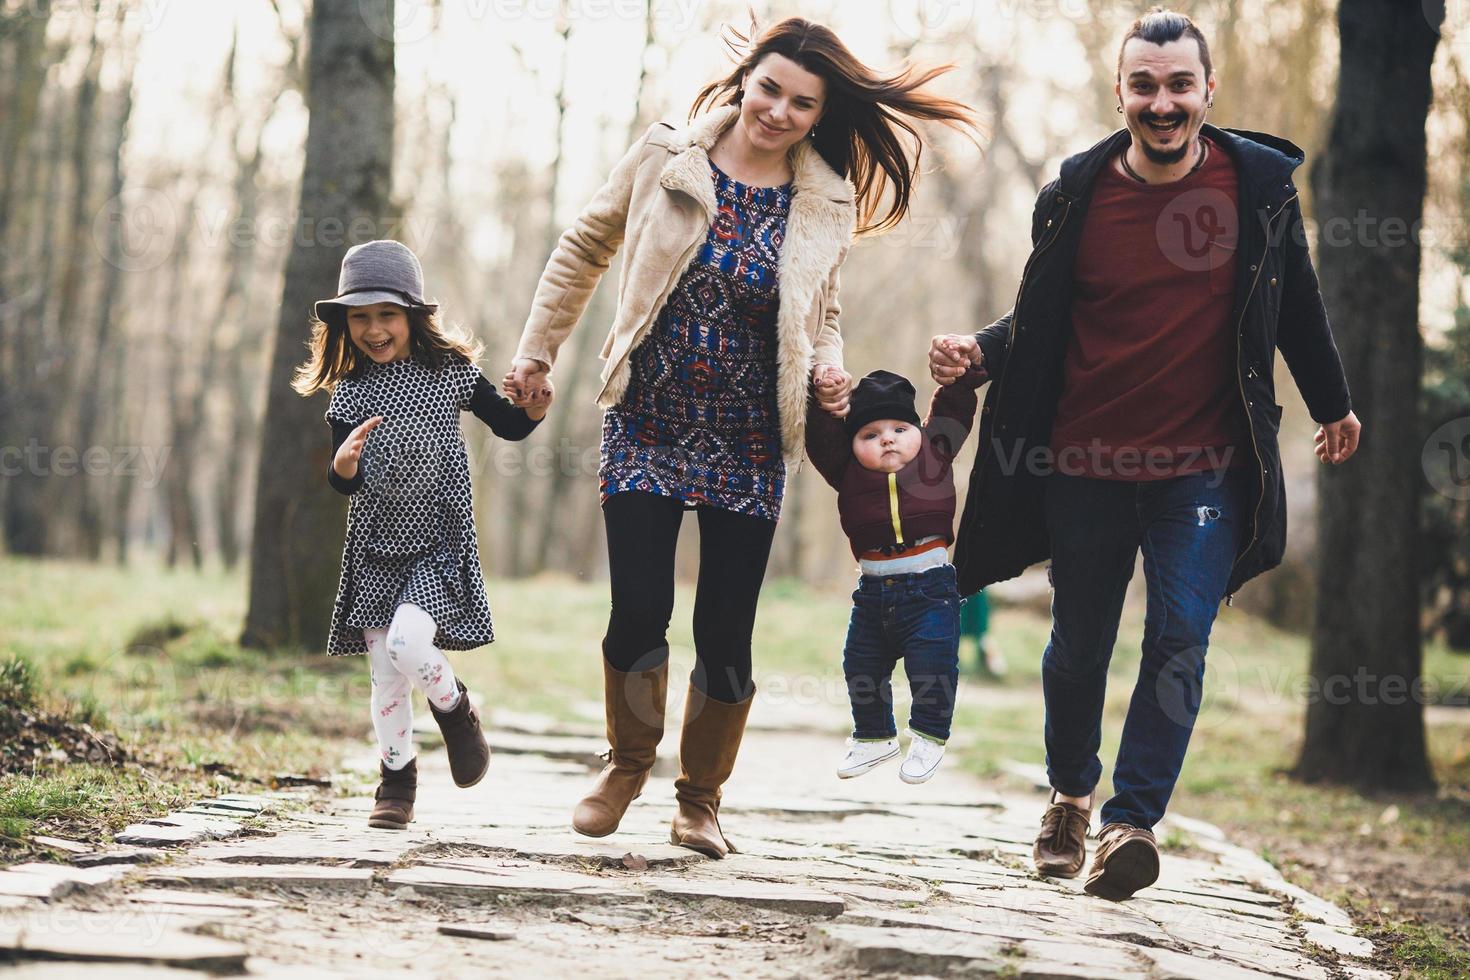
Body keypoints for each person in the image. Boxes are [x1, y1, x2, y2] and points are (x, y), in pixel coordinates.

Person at [503, 17, 978, 857]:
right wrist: (536, 352)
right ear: (743, 81)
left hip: (752, 436)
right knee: (639, 609)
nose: (780, 111)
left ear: (819, 114)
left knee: (726, 627)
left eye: (803, 103)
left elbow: (822, 314)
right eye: (770, 89)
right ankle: (625, 764)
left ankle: (699, 799)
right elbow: (584, 246)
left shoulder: (824, 196)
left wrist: (828, 367)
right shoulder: (665, 158)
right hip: (645, 419)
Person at [932, 7, 1360, 900]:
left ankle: (1130, 822)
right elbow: (1042, 320)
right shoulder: (1076, 195)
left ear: (1208, 90)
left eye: (1178, 85)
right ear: (1120, 91)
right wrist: (981, 351)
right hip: (1084, 463)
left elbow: (1297, 307)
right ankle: (1069, 798)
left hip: (1202, 466)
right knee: (1077, 646)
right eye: (1143, 85)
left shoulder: (1259, 190)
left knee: (1179, 638)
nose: (1161, 103)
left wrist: (1333, 405)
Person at [293, 239, 552, 830]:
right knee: (385, 675)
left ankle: (456, 709)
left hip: (438, 542)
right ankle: (397, 781)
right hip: (375, 550)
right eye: (360, 318)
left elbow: (509, 425)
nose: (374, 329)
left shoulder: (450, 373)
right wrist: (344, 466)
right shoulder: (350, 392)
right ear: (344, 324)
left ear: (412, 315)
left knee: (409, 647)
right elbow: (341, 483)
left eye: (386, 315)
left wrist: (534, 409)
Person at [804, 361, 985, 784]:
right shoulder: (846, 471)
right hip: (872, 592)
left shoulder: (935, 453)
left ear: (919, 433)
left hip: (931, 589)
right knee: (860, 663)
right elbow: (820, 437)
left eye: (899, 430)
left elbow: (955, 408)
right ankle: (873, 736)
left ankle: (928, 737)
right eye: (870, 434)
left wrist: (961, 373)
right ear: (853, 445)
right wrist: (822, 398)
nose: (886, 438)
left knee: (932, 665)